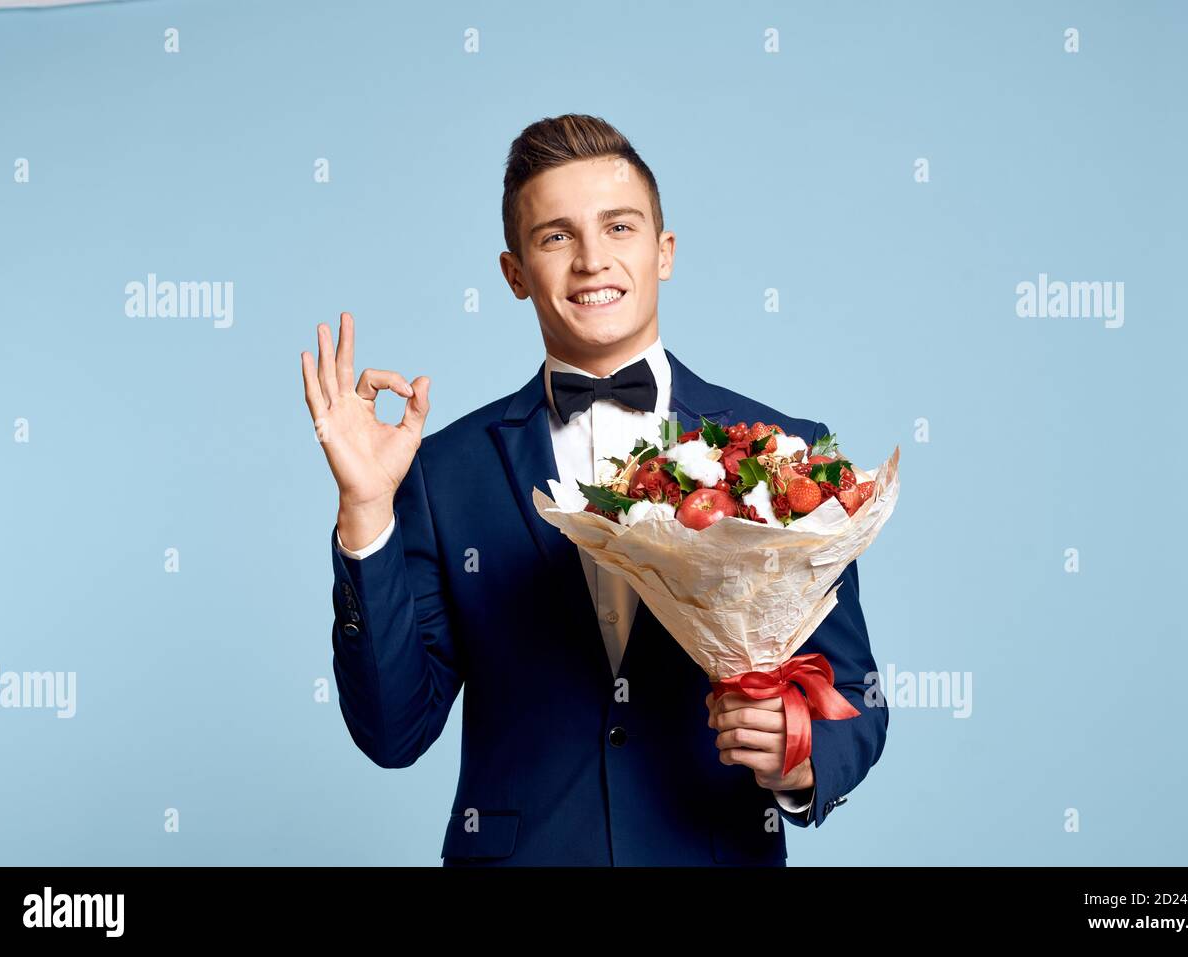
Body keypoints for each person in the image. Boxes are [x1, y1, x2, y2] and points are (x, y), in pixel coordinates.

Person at [299, 114, 887, 866]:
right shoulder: (442, 474)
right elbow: (392, 730)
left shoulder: (780, 452)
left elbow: (857, 695)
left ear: (663, 251)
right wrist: (365, 510)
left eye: (618, 227)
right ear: (515, 274)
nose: (591, 260)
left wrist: (799, 754)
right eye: (555, 237)